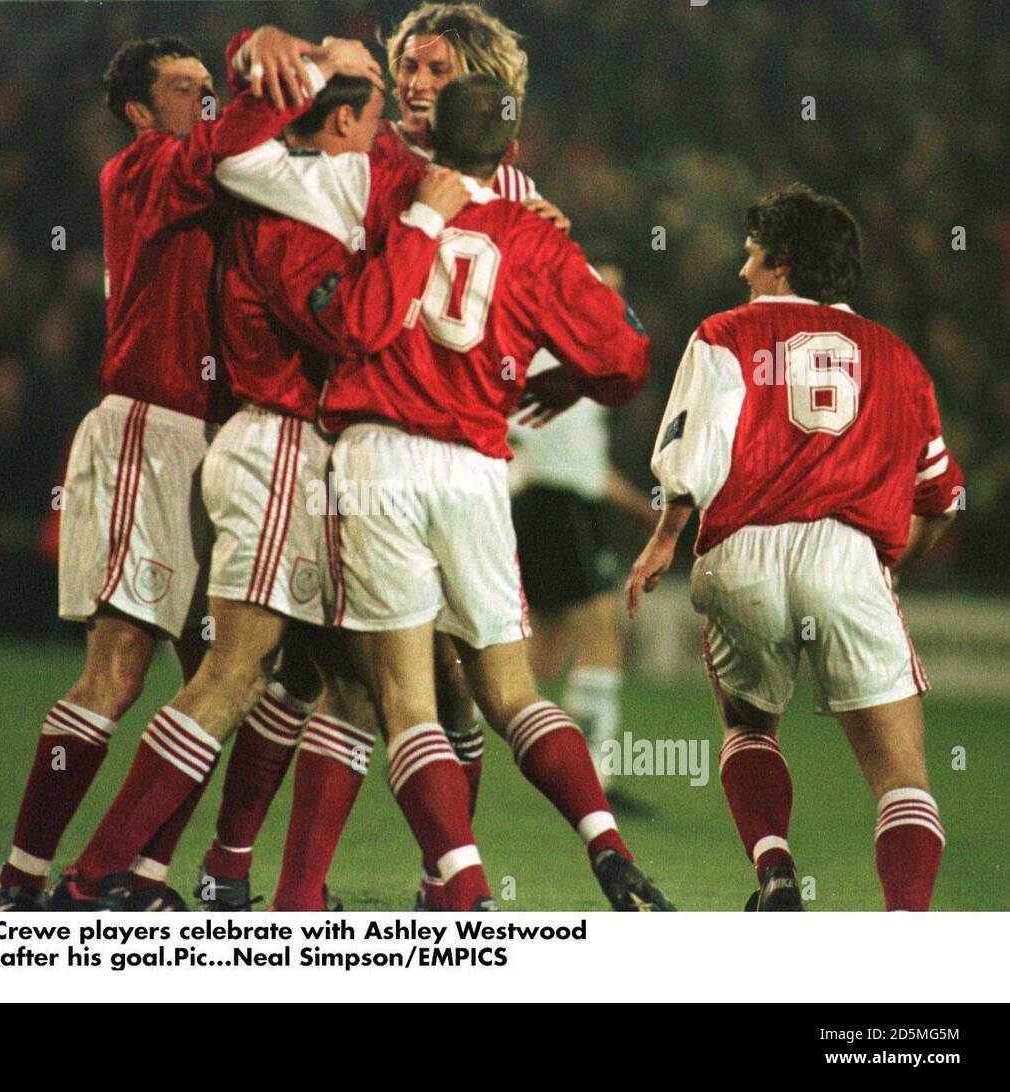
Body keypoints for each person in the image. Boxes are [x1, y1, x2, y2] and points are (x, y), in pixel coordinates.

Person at [219, 74, 674, 910]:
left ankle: (461, 884)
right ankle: (605, 844)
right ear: (512, 152)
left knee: (400, 698)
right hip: (474, 467)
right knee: (510, 691)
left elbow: (251, 173)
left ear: (427, 135)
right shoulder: (534, 235)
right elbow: (627, 359)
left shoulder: (384, 194)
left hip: (377, 457)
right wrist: (575, 382)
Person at [51, 75, 475, 910]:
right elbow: (353, 324)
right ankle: (94, 875)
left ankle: (239, 877)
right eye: (378, 120)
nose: (390, 142)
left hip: (313, 459)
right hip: (280, 444)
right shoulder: (292, 216)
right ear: (345, 121)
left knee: (314, 679)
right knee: (234, 673)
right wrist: (426, 222)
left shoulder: (321, 197)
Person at [0, 26, 381, 911]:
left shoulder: (229, 173)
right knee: (118, 666)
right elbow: (231, 133)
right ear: (136, 111)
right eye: (181, 86)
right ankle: (20, 878)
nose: (203, 95)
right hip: (148, 432)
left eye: (211, 80)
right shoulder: (144, 169)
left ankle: (144, 875)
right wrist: (288, 65)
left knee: (222, 678)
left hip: (220, 439)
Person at [626, 184, 963, 911]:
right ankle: (907, 939)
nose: (743, 272)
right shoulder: (897, 359)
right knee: (901, 777)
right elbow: (941, 496)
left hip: (741, 550)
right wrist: (895, 559)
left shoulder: (726, 333)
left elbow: (693, 452)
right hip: (846, 556)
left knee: (747, 726)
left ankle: (776, 873)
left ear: (781, 263)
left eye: (751, 257)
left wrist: (662, 541)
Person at [509, 269, 658, 788]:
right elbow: (560, 461)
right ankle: (595, 776)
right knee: (601, 631)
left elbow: (588, 462)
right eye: (602, 291)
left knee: (543, 654)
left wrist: (643, 508)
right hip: (557, 507)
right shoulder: (552, 357)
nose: (612, 302)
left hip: (564, 506)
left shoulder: (581, 364)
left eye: (617, 291)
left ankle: (441, 716)